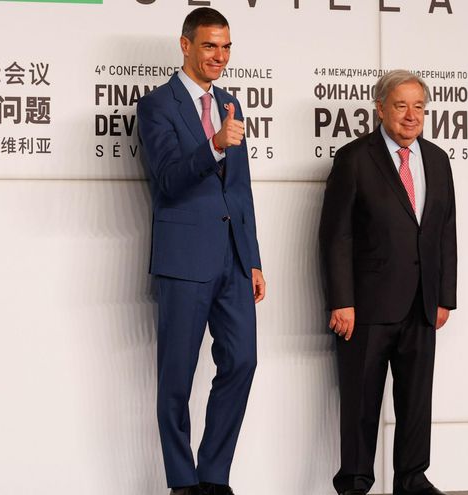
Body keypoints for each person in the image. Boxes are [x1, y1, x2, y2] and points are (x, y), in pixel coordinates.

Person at [136, 7, 266, 495]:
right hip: (184, 259)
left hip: (233, 260)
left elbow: (242, 190)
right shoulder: (157, 106)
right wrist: (213, 144)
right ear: (185, 45)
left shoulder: (231, 103)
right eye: (210, 45)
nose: (220, 56)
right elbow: (168, 179)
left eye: (227, 46)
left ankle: (213, 475)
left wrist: (252, 258)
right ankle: (182, 481)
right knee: (177, 375)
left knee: (243, 360)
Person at [319, 70, 457, 495]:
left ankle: (413, 479)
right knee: (361, 404)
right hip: (366, 307)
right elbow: (335, 235)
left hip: (421, 304)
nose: (411, 115)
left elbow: (445, 231)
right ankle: (356, 483)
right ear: (379, 108)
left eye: (419, 106)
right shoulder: (354, 158)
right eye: (401, 105)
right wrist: (342, 300)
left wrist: (445, 297)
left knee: (416, 403)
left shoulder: (436, 159)